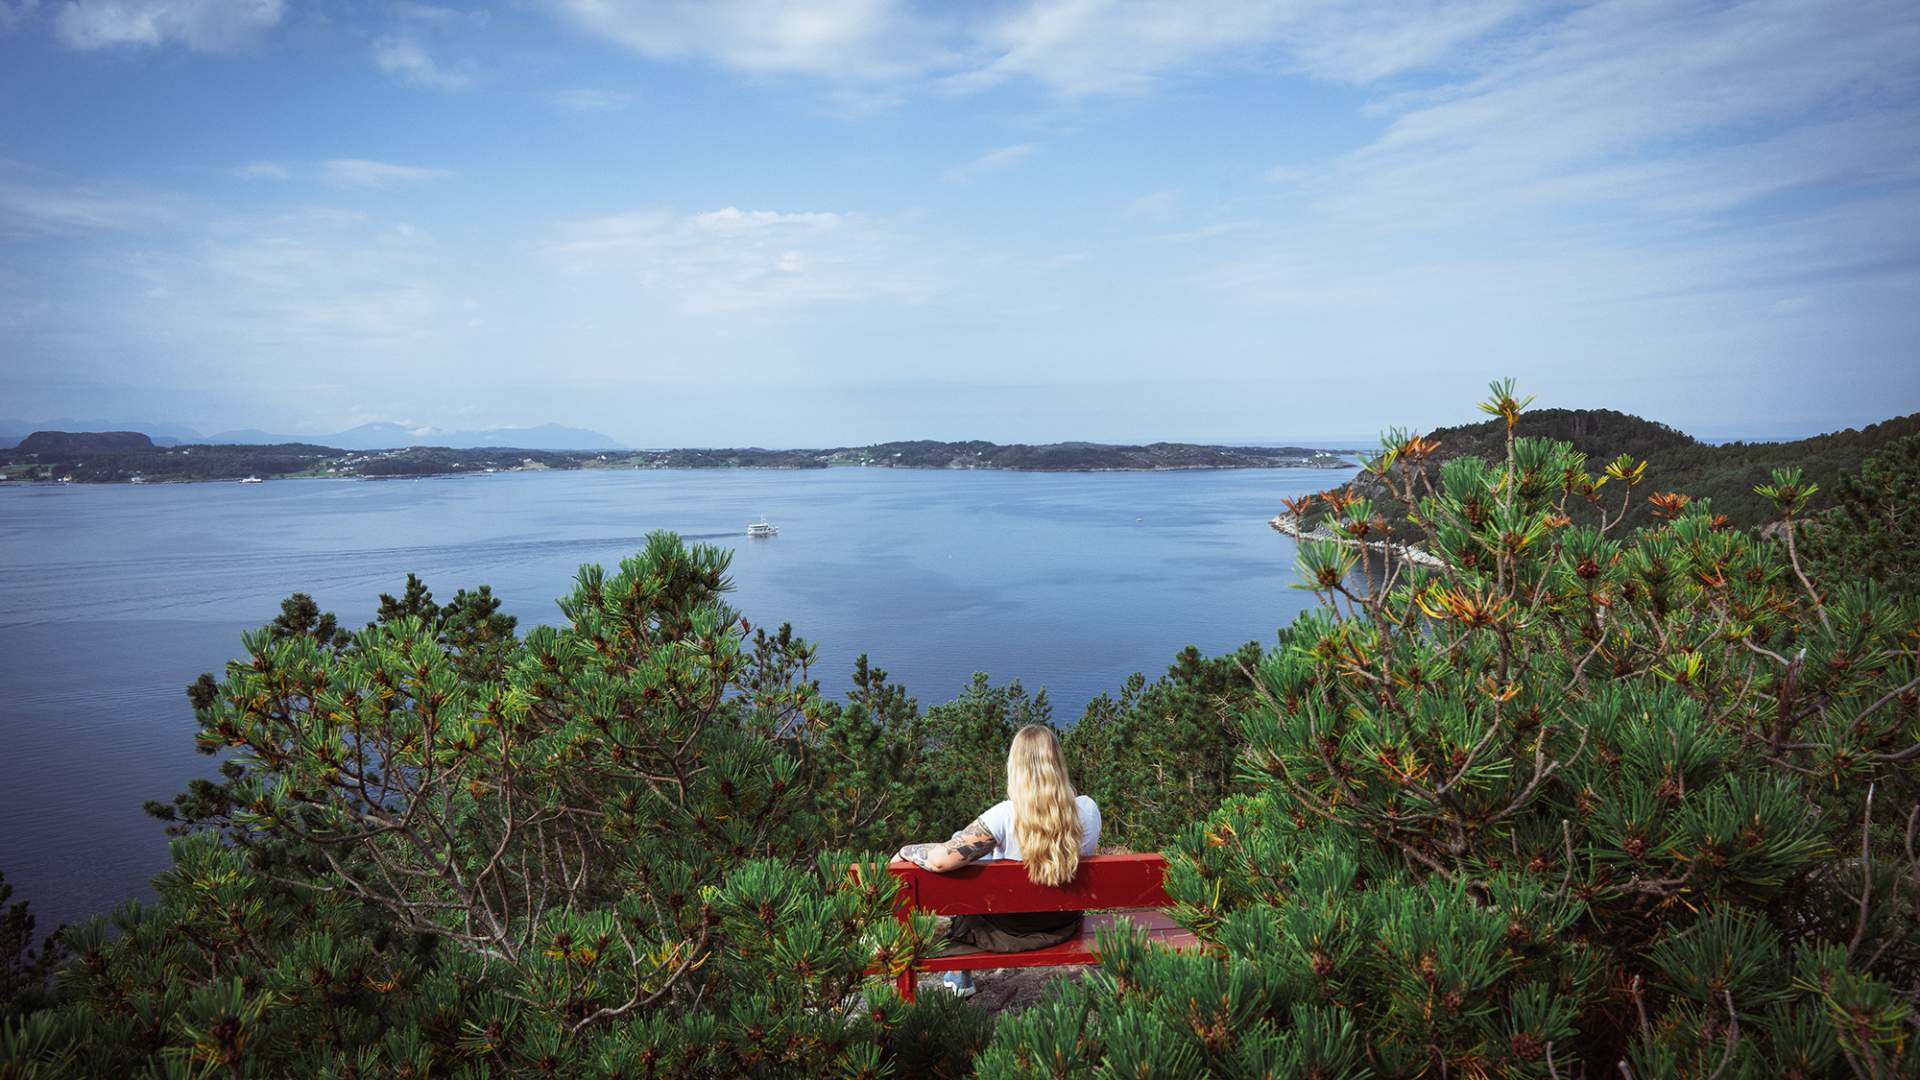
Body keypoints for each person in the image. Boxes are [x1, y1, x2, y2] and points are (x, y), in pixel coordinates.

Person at [893, 724, 1101, 997]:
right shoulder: (1087, 808)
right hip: (1063, 923)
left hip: (1007, 930)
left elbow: (941, 861)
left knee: (961, 842)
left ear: (1015, 767)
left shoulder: (1004, 815)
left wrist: (906, 851)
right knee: (978, 851)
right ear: (1058, 763)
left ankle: (960, 977)